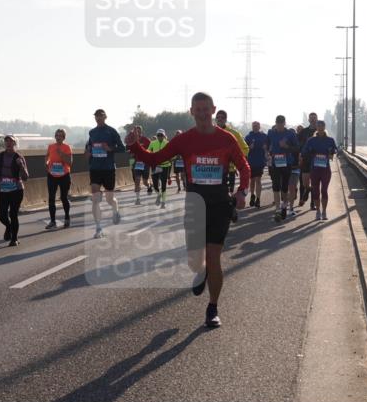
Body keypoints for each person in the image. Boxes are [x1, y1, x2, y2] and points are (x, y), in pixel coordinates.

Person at [126, 93, 250, 329]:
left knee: (214, 257)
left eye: (206, 109)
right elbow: (156, 160)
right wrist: (134, 146)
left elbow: (244, 166)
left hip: (220, 205)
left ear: (213, 110)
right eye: (198, 109)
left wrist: (242, 191)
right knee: (196, 261)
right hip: (195, 205)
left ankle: (213, 307)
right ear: (191, 111)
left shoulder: (226, 139)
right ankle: (200, 271)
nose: (202, 113)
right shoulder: (185, 140)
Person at [86, 109, 125, 238]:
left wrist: (110, 148)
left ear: (105, 117)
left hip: (108, 168)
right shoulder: (92, 132)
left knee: (109, 199)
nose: (98, 118)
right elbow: (89, 147)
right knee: (96, 199)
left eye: (100, 116)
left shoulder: (112, 131)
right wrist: (88, 153)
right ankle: (98, 228)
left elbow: (122, 148)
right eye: (96, 116)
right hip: (95, 168)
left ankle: (115, 210)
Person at [0, 135, 30, 245]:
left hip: (16, 190)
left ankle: (14, 239)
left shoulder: (19, 157)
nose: (8, 143)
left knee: (13, 214)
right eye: (6, 141)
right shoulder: (0, 156)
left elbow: (26, 177)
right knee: (2, 216)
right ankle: (9, 227)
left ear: (15, 144)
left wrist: (21, 166)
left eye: (11, 141)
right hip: (2, 189)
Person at [214, 110, 249, 222]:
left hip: (229, 169)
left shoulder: (234, 133)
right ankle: (219, 215)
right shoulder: (210, 132)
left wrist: (234, 159)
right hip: (213, 170)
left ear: (225, 119)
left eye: (222, 117)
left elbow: (245, 149)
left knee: (228, 193)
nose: (219, 119)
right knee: (215, 195)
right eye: (218, 117)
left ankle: (231, 210)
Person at [301, 120, 338, 220]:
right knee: (316, 191)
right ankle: (318, 211)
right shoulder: (311, 140)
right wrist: (309, 152)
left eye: (322, 126)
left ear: (324, 127)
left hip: (325, 169)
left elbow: (335, 150)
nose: (320, 127)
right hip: (315, 169)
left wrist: (331, 152)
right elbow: (304, 152)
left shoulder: (330, 140)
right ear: (316, 127)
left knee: (324, 190)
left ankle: (324, 212)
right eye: (318, 126)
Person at [266, 115, 299, 222]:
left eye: (281, 123)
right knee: (275, 185)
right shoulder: (271, 132)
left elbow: (296, 148)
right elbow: (266, 144)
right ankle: (277, 210)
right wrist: (267, 150)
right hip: (275, 163)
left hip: (287, 163)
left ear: (284, 123)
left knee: (285, 187)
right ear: (275, 123)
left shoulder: (290, 133)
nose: (279, 125)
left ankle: (284, 206)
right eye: (277, 123)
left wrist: (286, 147)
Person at [45, 129, 73, 229]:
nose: (58, 137)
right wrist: (47, 163)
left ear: (64, 137)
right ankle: (52, 221)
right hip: (52, 175)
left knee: (63, 198)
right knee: (51, 198)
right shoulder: (51, 146)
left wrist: (62, 154)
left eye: (60, 136)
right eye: (57, 135)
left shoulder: (67, 147)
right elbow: (47, 156)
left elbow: (70, 163)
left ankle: (67, 218)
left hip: (64, 175)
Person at [244, 121, 267, 208]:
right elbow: (244, 148)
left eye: (257, 126)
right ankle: (252, 195)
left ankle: (258, 199)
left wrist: (265, 148)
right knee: (252, 180)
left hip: (260, 161)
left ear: (259, 126)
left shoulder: (263, 136)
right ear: (252, 127)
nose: (255, 127)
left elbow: (268, 146)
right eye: (254, 126)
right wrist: (249, 148)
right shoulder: (248, 136)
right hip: (251, 161)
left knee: (258, 180)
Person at [297, 113, 319, 208]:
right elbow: (298, 145)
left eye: (314, 118)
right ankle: (305, 193)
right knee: (303, 183)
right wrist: (299, 156)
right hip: (305, 159)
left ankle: (312, 203)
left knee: (315, 182)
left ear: (317, 119)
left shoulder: (320, 131)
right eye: (311, 118)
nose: (313, 120)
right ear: (309, 120)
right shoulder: (304, 131)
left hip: (316, 160)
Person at [147, 129, 172, 208]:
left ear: (164, 136)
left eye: (161, 135)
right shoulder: (153, 143)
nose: (160, 137)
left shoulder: (167, 143)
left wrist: (170, 157)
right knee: (155, 185)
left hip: (165, 166)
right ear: (157, 136)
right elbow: (148, 151)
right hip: (156, 166)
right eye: (158, 135)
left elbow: (172, 153)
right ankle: (159, 194)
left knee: (163, 184)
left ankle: (163, 202)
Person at [129, 125, 151, 205]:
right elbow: (130, 153)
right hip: (137, 164)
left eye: (138, 131)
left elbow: (151, 150)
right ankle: (138, 199)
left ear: (141, 132)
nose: (136, 133)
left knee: (145, 182)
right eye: (135, 131)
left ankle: (149, 186)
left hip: (145, 163)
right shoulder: (132, 141)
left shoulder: (146, 140)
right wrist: (131, 163)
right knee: (137, 180)